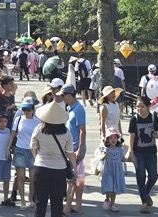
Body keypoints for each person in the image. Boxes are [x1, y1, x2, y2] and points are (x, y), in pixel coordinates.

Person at [30, 103, 76, 217]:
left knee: (40, 204)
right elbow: (70, 153)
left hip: (41, 168)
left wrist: (38, 158)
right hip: (59, 170)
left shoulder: (39, 129)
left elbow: (33, 148)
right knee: (57, 204)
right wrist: (75, 168)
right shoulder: (66, 132)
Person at [128, 96, 158, 214]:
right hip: (138, 152)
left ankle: (145, 193)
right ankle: (144, 203)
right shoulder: (134, 120)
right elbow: (132, 136)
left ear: (148, 107)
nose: (139, 109)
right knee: (140, 176)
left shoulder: (153, 118)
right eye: (137, 107)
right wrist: (131, 151)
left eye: (142, 107)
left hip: (151, 152)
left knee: (153, 176)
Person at [59, 84, 87, 215]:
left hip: (75, 148)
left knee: (71, 179)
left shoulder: (78, 109)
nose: (62, 98)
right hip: (71, 148)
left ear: (69, 96)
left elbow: (83, 131)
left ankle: (67, 208)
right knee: (77, 178)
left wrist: (80, 149)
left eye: (63, 96)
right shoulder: (70, 108)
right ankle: (78, 205)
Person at [9, 97, 40, 210]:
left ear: (32, 109)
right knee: (21, 176)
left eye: (28, 109)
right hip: (19, 150)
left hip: (32, 150)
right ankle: (22, 200)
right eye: (24, 109)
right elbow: (12, 134)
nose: (26, 112)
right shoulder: (18, 119)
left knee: (33, 177)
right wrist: (8, 148)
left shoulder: (38, 121)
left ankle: (30, 198)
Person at [100, 128, 126, 212]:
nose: (113, 140)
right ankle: (107, 198)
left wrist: (131, 159)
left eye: (115, 137)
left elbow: (122, 159)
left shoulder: (120, 149)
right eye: (110, 138)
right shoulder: (106, 149)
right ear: (107, 140)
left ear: (117, 138)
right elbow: (101, 158)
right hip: (108, 171)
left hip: (117, 171)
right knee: (109, 186)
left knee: (114, 187)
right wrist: (105, 155)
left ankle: (112, 203)